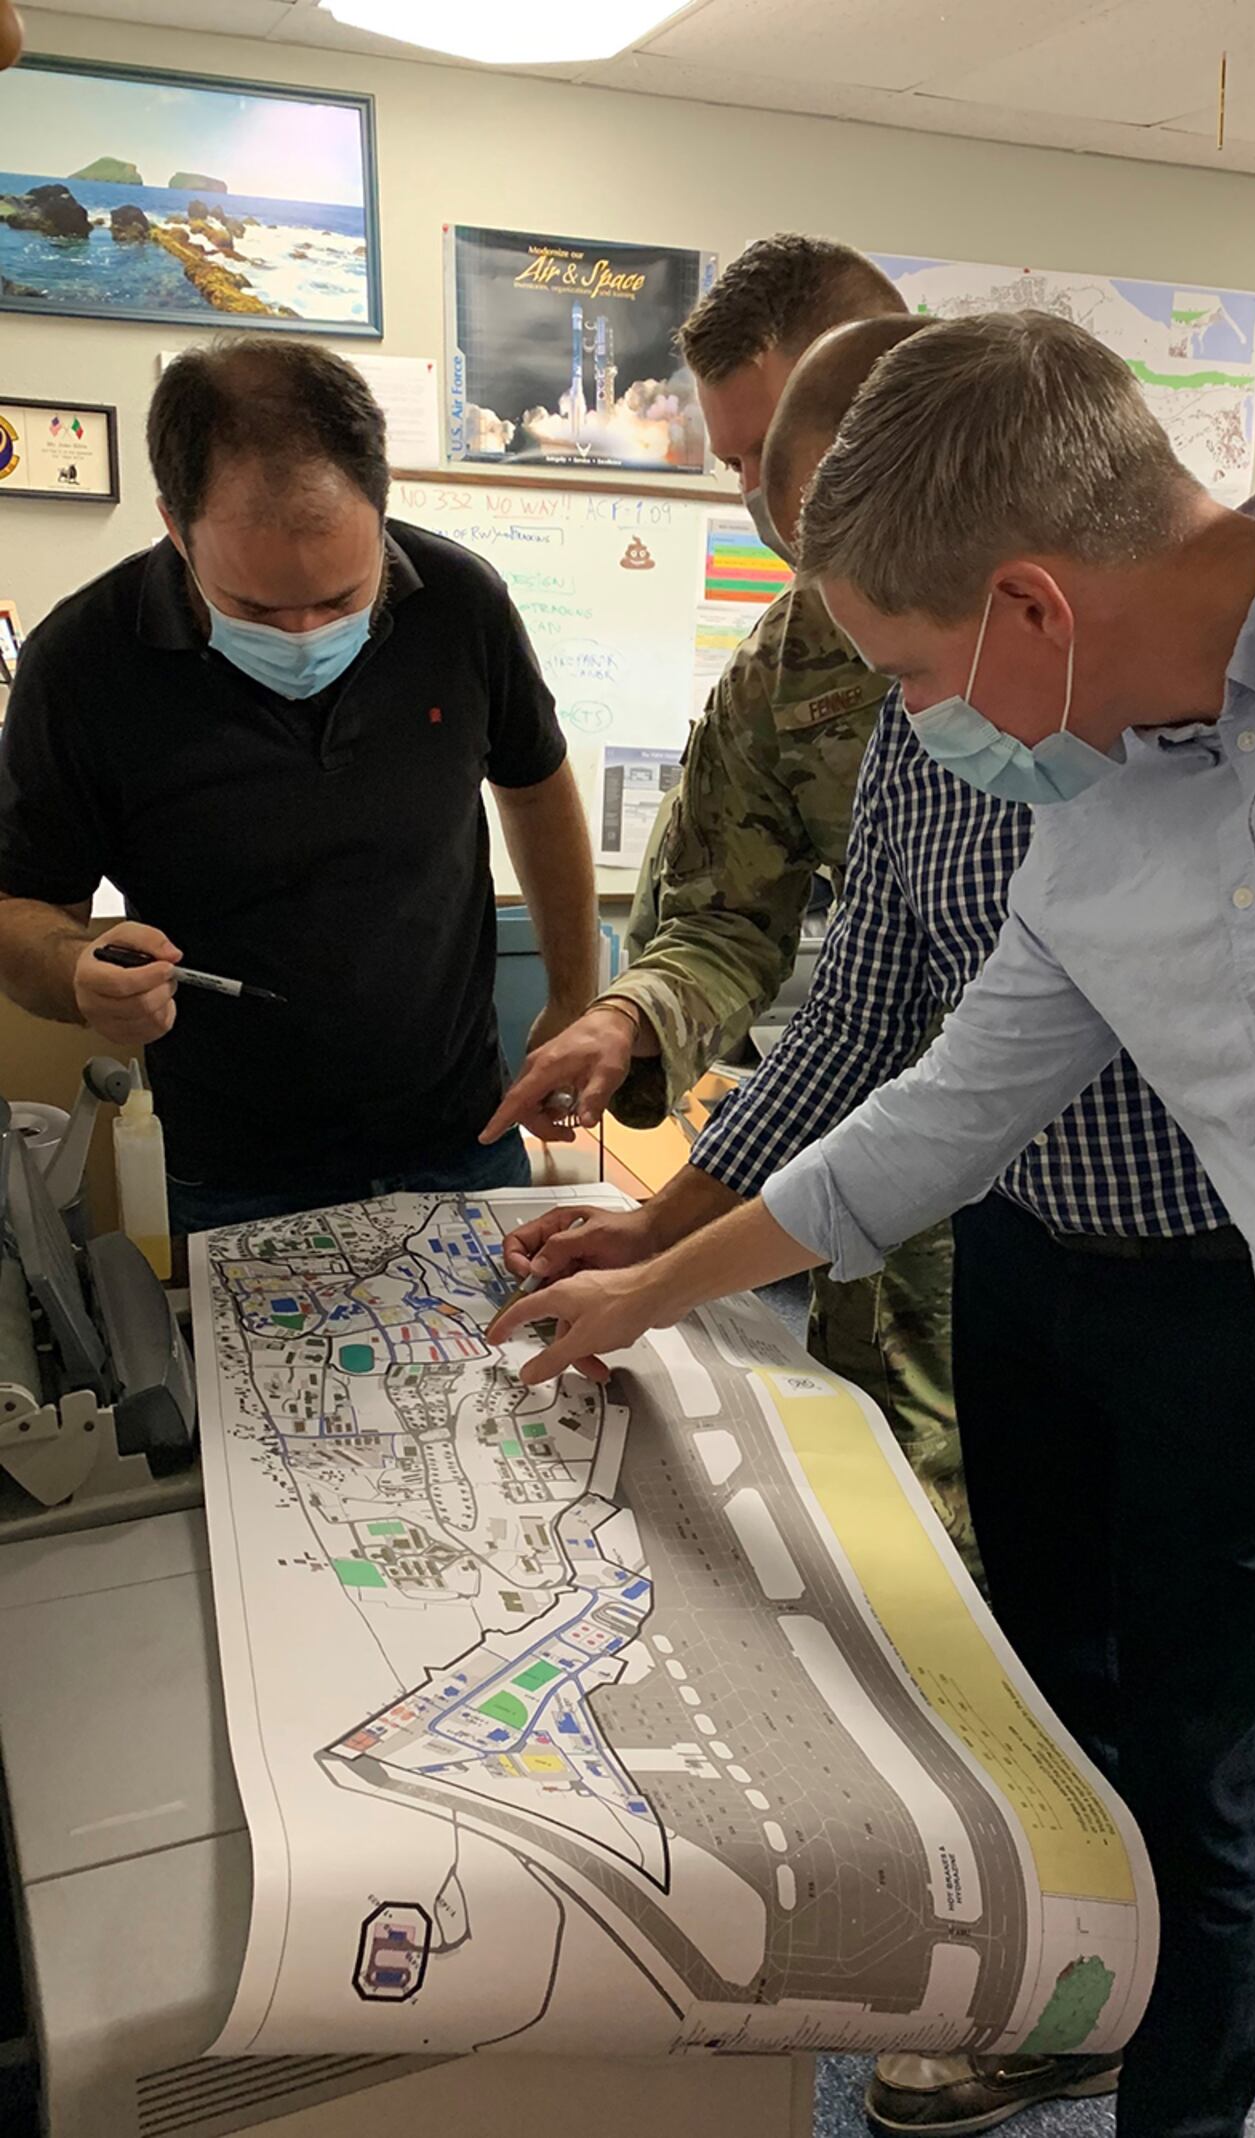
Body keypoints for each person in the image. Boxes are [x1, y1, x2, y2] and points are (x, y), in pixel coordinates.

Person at [491, 309, 1255, 2137]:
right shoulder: (1104, 813)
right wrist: (660, 1274)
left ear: (1031, 607)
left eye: (913, 672)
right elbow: (933, 1110)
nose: (920, 726)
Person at [482, 236, 975, 1569]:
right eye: (736, 463)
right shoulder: (795, 661)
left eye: (773, 456)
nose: (758, 499)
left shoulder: (1076, 646)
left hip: (1104, 1239)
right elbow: (736, 927)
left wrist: (665, 1240)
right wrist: (627, 1022)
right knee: (907, 1547)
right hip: (862, 1208)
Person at [0, 337, 596, 1233]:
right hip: (236, 1168)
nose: (306, 633)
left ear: (380, 505)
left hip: (459, 1132)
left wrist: (571, 995)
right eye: (256, 610)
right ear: (174, 523)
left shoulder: (460, 605)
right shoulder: (82, 663)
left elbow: (537, 787)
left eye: (343, 597)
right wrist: (75, 974)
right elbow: (20, 910)